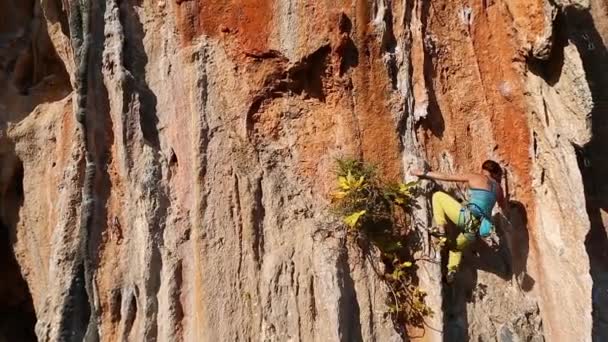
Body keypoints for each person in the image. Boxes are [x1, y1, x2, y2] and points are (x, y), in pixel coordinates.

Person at [412, 160, 508, 283]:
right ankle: (451, 271)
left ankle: (441, 227)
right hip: (475, 228)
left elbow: (447, 177)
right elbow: (504, 207)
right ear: (495, 173)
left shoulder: (475, 177)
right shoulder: (498, 189)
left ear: (483, 169)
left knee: (438, 196)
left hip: (466, 217)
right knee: (456, 248)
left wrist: (423, 173)